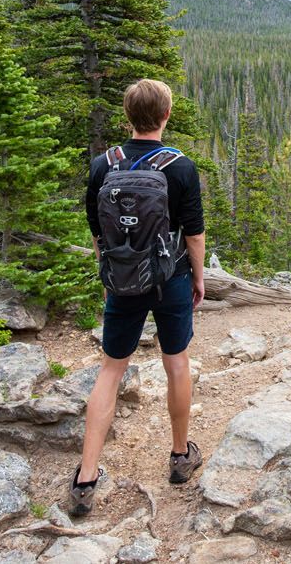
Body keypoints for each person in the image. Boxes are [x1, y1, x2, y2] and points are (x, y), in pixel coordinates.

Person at [69, 79, 207, 516]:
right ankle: (180, 455)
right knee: (177, 362)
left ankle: (86, 476)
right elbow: (195, 235)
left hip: (122, 280)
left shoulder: (102, 165)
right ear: (165, 116)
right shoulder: (180, 168)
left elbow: (97, 233)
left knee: (111, 370)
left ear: (128, 118)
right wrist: (198, 278)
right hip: (171, 278)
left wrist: (111, 274)